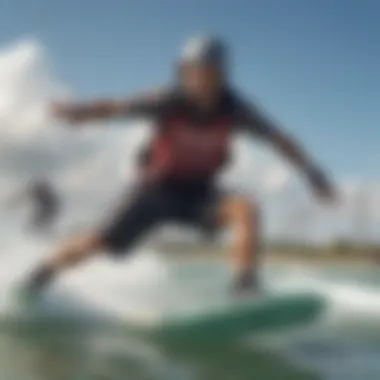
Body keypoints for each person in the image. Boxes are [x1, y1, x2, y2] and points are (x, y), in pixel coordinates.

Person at [25, 35, 336, 295]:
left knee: (246, 210)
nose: (200, 79)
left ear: (222, 74)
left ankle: (245, 286)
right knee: (100, 242)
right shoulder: (166, 100)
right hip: (153, 192)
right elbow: (115, 107)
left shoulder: (237, 109)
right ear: (184, 73)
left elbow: (280, 140)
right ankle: (39, 276)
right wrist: (78, 113)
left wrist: (314, 175)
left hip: (200, 194)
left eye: (208, 72)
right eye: (193, 72)